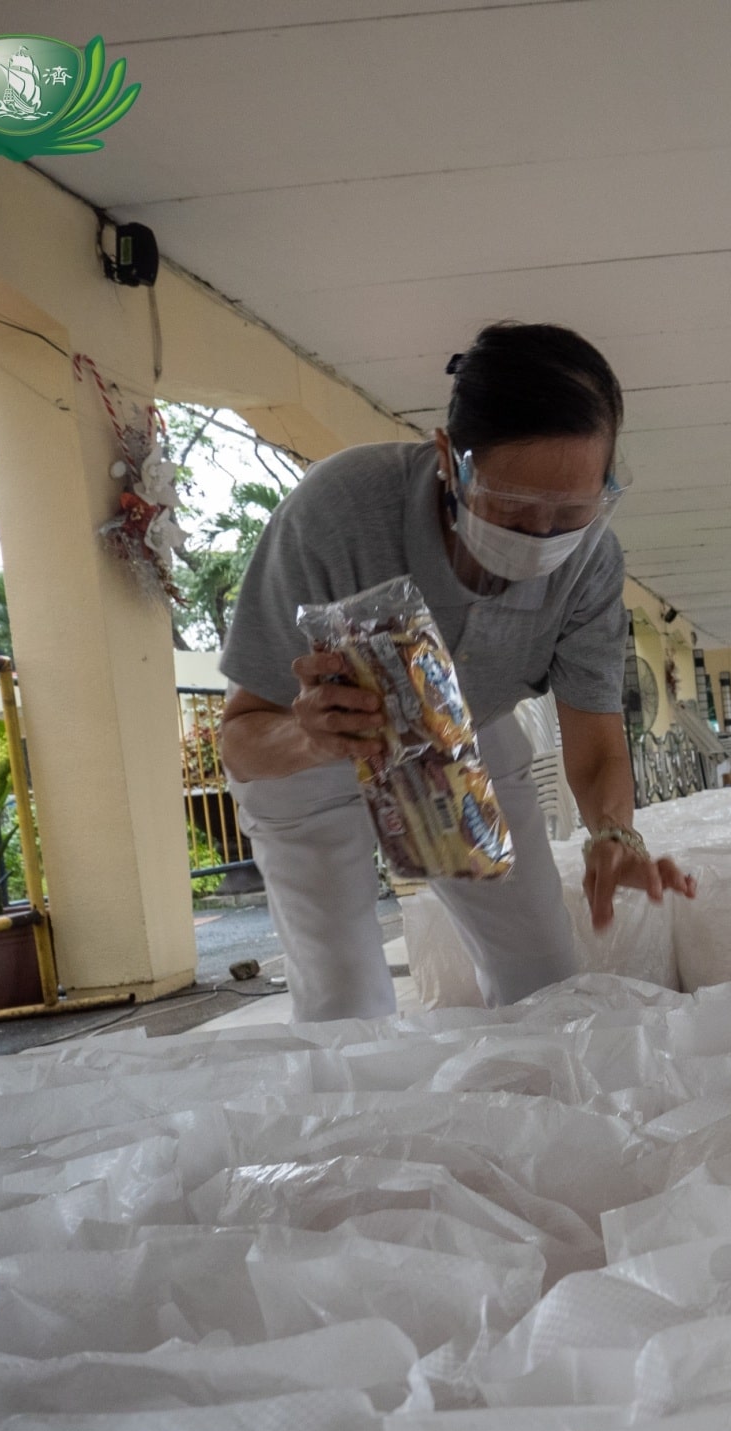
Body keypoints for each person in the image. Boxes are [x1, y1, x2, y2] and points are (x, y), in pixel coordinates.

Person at [221, 323, 694, 1022]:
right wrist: (308, 737)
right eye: (510, 509)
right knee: (343, 1002)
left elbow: (594, 745)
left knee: (547, 978)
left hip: (473, 734)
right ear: (449, 459)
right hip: (316, 754)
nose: (540, 540)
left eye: (570, 513)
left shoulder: (591, 560)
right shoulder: (338, 514)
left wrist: (614, 833)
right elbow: (241, 740)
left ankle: (535, 1121)